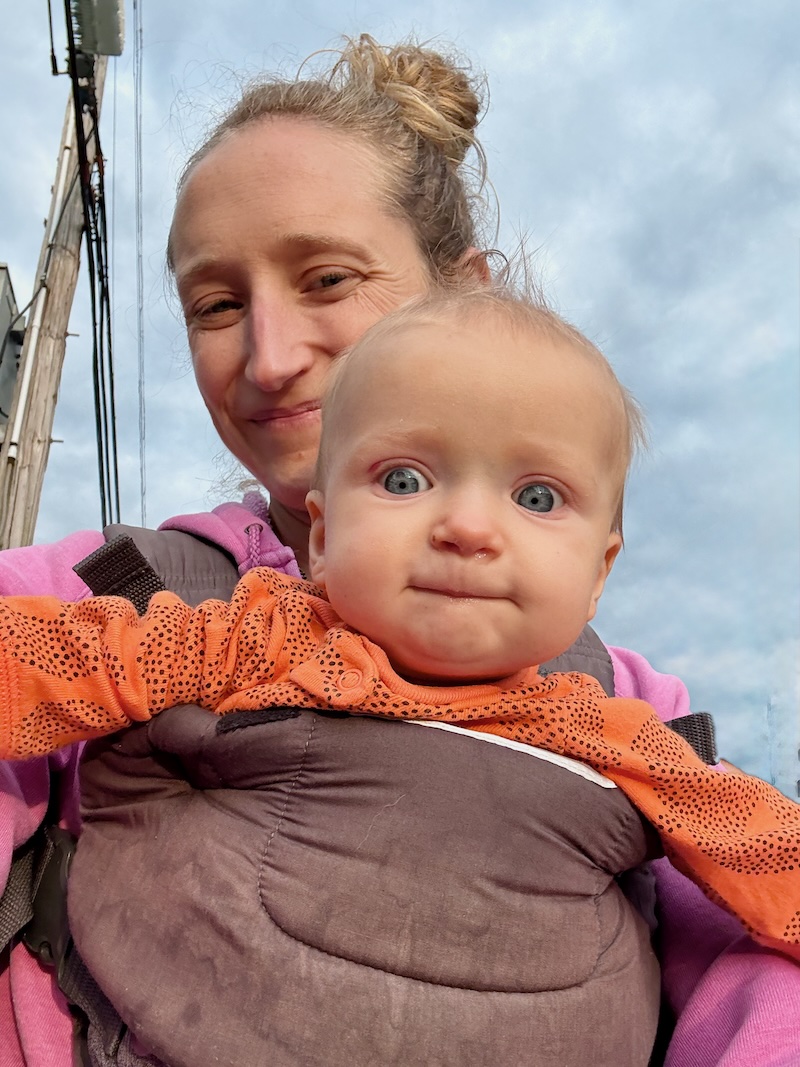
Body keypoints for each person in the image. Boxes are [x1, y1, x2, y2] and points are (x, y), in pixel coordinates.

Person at [0, 33, 796, 1067]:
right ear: (325, 537)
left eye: (327, 278)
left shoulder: (629, 712)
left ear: (463, 292)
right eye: (218, 305)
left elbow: (757, 940)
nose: (270, 357)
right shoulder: (116, 600)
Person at [1, 289, 799, 978]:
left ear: (599, 572)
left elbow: (760, 840)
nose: (467, 527)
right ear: (322, 537)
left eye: (537, 497)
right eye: (404, 479)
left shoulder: (611, 734)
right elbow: (75, 656)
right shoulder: (258, 639)